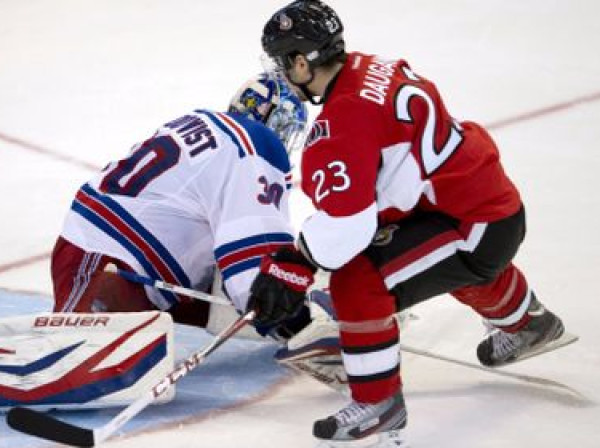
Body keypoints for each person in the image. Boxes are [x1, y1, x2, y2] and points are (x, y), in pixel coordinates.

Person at [246, 0, 572, 445]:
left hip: (470, 226)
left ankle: (378, 403)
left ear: (303, 61)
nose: (283, 73)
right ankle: (527, 322)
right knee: (429, 256)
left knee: (360, 280)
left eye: (284, 62)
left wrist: (296, 261)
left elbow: (348, 229)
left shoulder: (342, 124)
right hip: (483, 205)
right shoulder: (370, 66)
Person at [51, 73, 314, 331]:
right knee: (71, 350)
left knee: (105, 359)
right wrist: (286, 312)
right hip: (109, 259)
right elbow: (253, 258)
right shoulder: (251, 148)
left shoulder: (204, 126)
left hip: (107, 253)